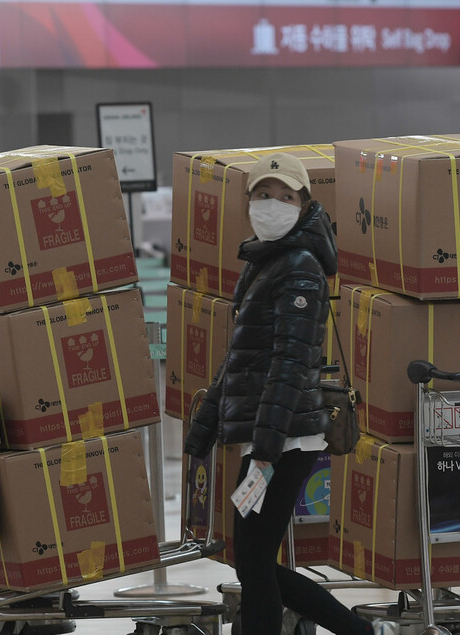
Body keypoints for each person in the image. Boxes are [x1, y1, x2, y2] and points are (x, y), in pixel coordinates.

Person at [183, 153, 395, 635]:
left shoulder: (299, 267)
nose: (272, 204)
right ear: (249, 203)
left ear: (303, 205)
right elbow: (243, 358)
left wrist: (265, 449)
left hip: (284, 437)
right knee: (252, 560)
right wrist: (205, 427)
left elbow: (289, 361)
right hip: (271, 434)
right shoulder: (266, 262)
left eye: (285, 196)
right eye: (263, 195)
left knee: (253, 559)